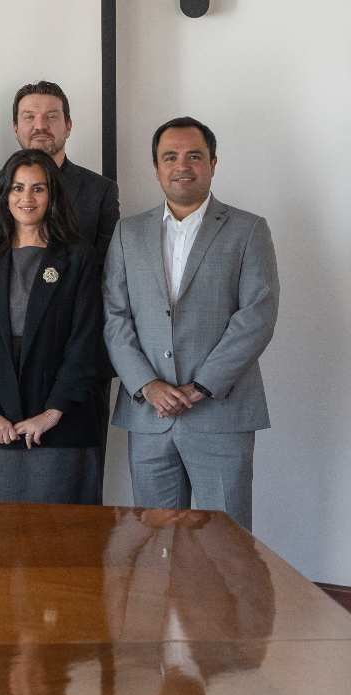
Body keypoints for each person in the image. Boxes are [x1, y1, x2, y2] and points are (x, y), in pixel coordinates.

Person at [104, 117, 279, 531]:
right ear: (156, 168)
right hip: (149, 415)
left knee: (227, 543)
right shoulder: (128, 233)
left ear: (213, 163)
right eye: (170, 157)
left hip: (221, 411)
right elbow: (114, 316)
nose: (182, 165)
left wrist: (201, 386)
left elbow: (257, 316)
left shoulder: (248, 230)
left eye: (194, 156)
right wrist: (148, 384)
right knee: (156, 543)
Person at [0, 80, 120, 502]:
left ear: (68, 124)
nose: (27, 198)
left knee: (64, 524)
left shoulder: (93, 211)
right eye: (17, 188)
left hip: (66, 394)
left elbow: (92, 321)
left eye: (51, 116)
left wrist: (55, 408)